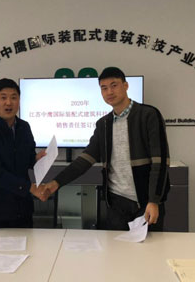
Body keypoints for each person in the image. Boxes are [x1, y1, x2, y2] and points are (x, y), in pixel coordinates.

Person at [37, 67, 170, 231]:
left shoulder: (148, 115)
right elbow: (84, 160)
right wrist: (56, 183)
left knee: (150, 246)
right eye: (104, 88)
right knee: (115, 246)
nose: (109, 92)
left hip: (145, 202)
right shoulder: (103, 124)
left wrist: (154, 201)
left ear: (126, 86)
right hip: (116, 204)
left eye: (114, 85)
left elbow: (160, 162)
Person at [0, 78, 44, 228]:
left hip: (23, 210)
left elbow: (28, 159)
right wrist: (29, 188)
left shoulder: (24, 127)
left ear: (19, 101)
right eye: (3, 97)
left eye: (14, 97)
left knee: (28, 244)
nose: (9, 103)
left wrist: (37, 158)